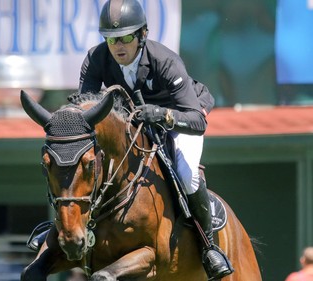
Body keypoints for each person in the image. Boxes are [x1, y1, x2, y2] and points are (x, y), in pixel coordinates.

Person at [78, 0, 234, 279]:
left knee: (187, 175)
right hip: (135, 121)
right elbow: (86, 110)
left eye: (126, 38)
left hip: (180, 114)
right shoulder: (96, 58)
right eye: (111, 39)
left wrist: (164, 115)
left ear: (143, 34)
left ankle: (209, 247)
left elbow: (197, 122)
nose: (118, 46)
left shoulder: (166, 61)